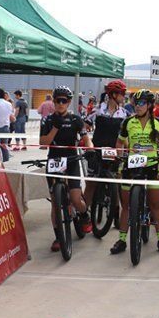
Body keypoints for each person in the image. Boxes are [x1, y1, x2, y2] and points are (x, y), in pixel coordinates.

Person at [111, 90, 159, 255]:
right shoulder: (127, 122)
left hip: (152, 165)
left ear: (150, 105)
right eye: (135, 103)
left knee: (156, 205)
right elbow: (119, 142)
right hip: (131, 166)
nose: (137, 106)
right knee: (126, 207)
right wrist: (120, 159)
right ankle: (122, 240)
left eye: (141, 103)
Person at [40, 86, 93, 252]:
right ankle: (58, 236)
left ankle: (84, 215)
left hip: (71, 160)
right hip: (54, 159)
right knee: (55, 203)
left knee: (76, 199)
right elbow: (43, 143)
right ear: (53, 101)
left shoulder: (76, 119)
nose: (60, 104)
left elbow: (86, 139)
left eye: (64, 101)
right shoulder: (47, 120)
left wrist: (90, 150)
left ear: (69, 102)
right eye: (57, 100)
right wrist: (55, 128)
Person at [84, 80, 129, 230]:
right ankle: (83, 215)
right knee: (91, 183)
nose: (124, 96)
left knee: (116, 183)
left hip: (114, 153)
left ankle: (116, 214)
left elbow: (127, 136)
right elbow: (85, 127)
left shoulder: (124, 114)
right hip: (96, 151)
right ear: (114, 95)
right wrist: (87, 143)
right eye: (122, 93)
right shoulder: (98, 110)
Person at [0, 89, 14, 162]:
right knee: (5, 145)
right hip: (6, 127)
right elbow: (11, 115)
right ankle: (6, 159)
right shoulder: (9, 104)